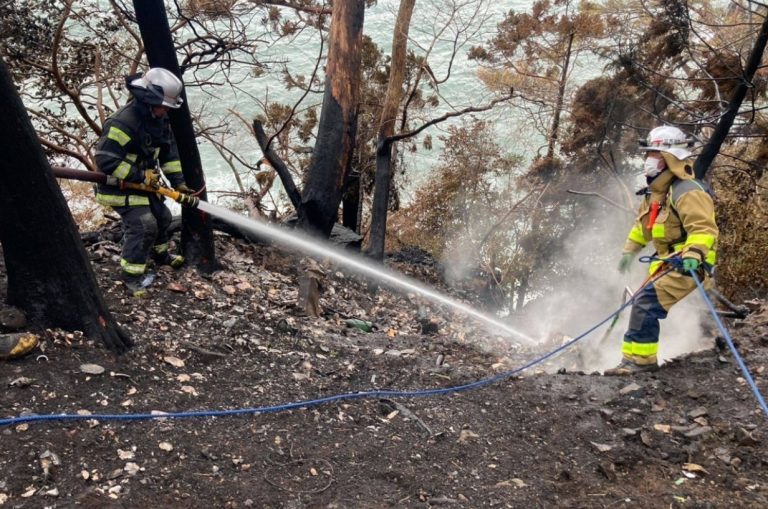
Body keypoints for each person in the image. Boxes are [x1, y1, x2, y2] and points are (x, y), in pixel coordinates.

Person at [605, 125, 719, 376]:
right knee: (640, 302)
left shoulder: (688, 191)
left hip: (690, 265)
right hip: (668, 262)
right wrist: (629, 251)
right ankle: (629, 361)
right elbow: (643, 227)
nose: (649, 162)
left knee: (646, 304)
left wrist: (693, 254)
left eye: (655, 156)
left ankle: (642, 364)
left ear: (670, 158)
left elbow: (703, 229)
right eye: (648, 156)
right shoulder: (657, 193)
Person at [94, 68, 194, 297]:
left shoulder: (158, 119)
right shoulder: (123, 122)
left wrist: (178, 183)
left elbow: (169, 153)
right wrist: (139, 176)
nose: (166, 110)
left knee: (164, 218)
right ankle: (132, 276)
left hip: (145, 183)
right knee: (144, 225)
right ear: (149, 99)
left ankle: (160, 255)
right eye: (164, 105)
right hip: (118, 187)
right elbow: (105, 160)